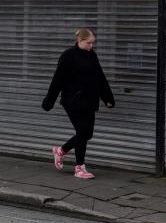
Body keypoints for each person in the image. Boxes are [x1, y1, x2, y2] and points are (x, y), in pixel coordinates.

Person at [42, 28, 115, 179]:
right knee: (82, 132)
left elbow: (100, 77)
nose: (91, 46)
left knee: (88, 134)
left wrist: (107, 98)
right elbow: (57, 80)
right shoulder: (68, 56)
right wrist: (49, 101)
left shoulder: (92, 56)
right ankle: (79, 168)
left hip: (90, 101)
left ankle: (60, 151)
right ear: (80, 41)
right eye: (88, 43)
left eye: (92, 43)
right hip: (72, 101)